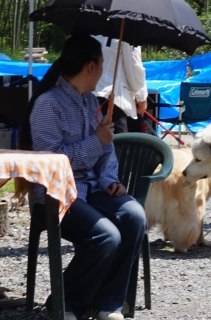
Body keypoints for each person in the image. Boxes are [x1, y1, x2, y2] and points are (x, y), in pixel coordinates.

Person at [20, 34, 147, 320]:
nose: (103, 70)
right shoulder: (47, 105)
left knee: (134, 215)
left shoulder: (89, 102)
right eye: (102, 64)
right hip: (55, 195)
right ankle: (65, 303)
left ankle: (109, 302)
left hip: (92, 188)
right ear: (91, 66)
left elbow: (106, 151)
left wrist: (110, 179)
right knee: (106, 235)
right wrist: (97, 140)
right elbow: (51, 163)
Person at [92, 35, 148, 134]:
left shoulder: (88, 24)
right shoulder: (129, 27)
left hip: (88, 96)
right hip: (113, 100)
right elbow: (134, 68)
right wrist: (141, 98)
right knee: (119, 146)